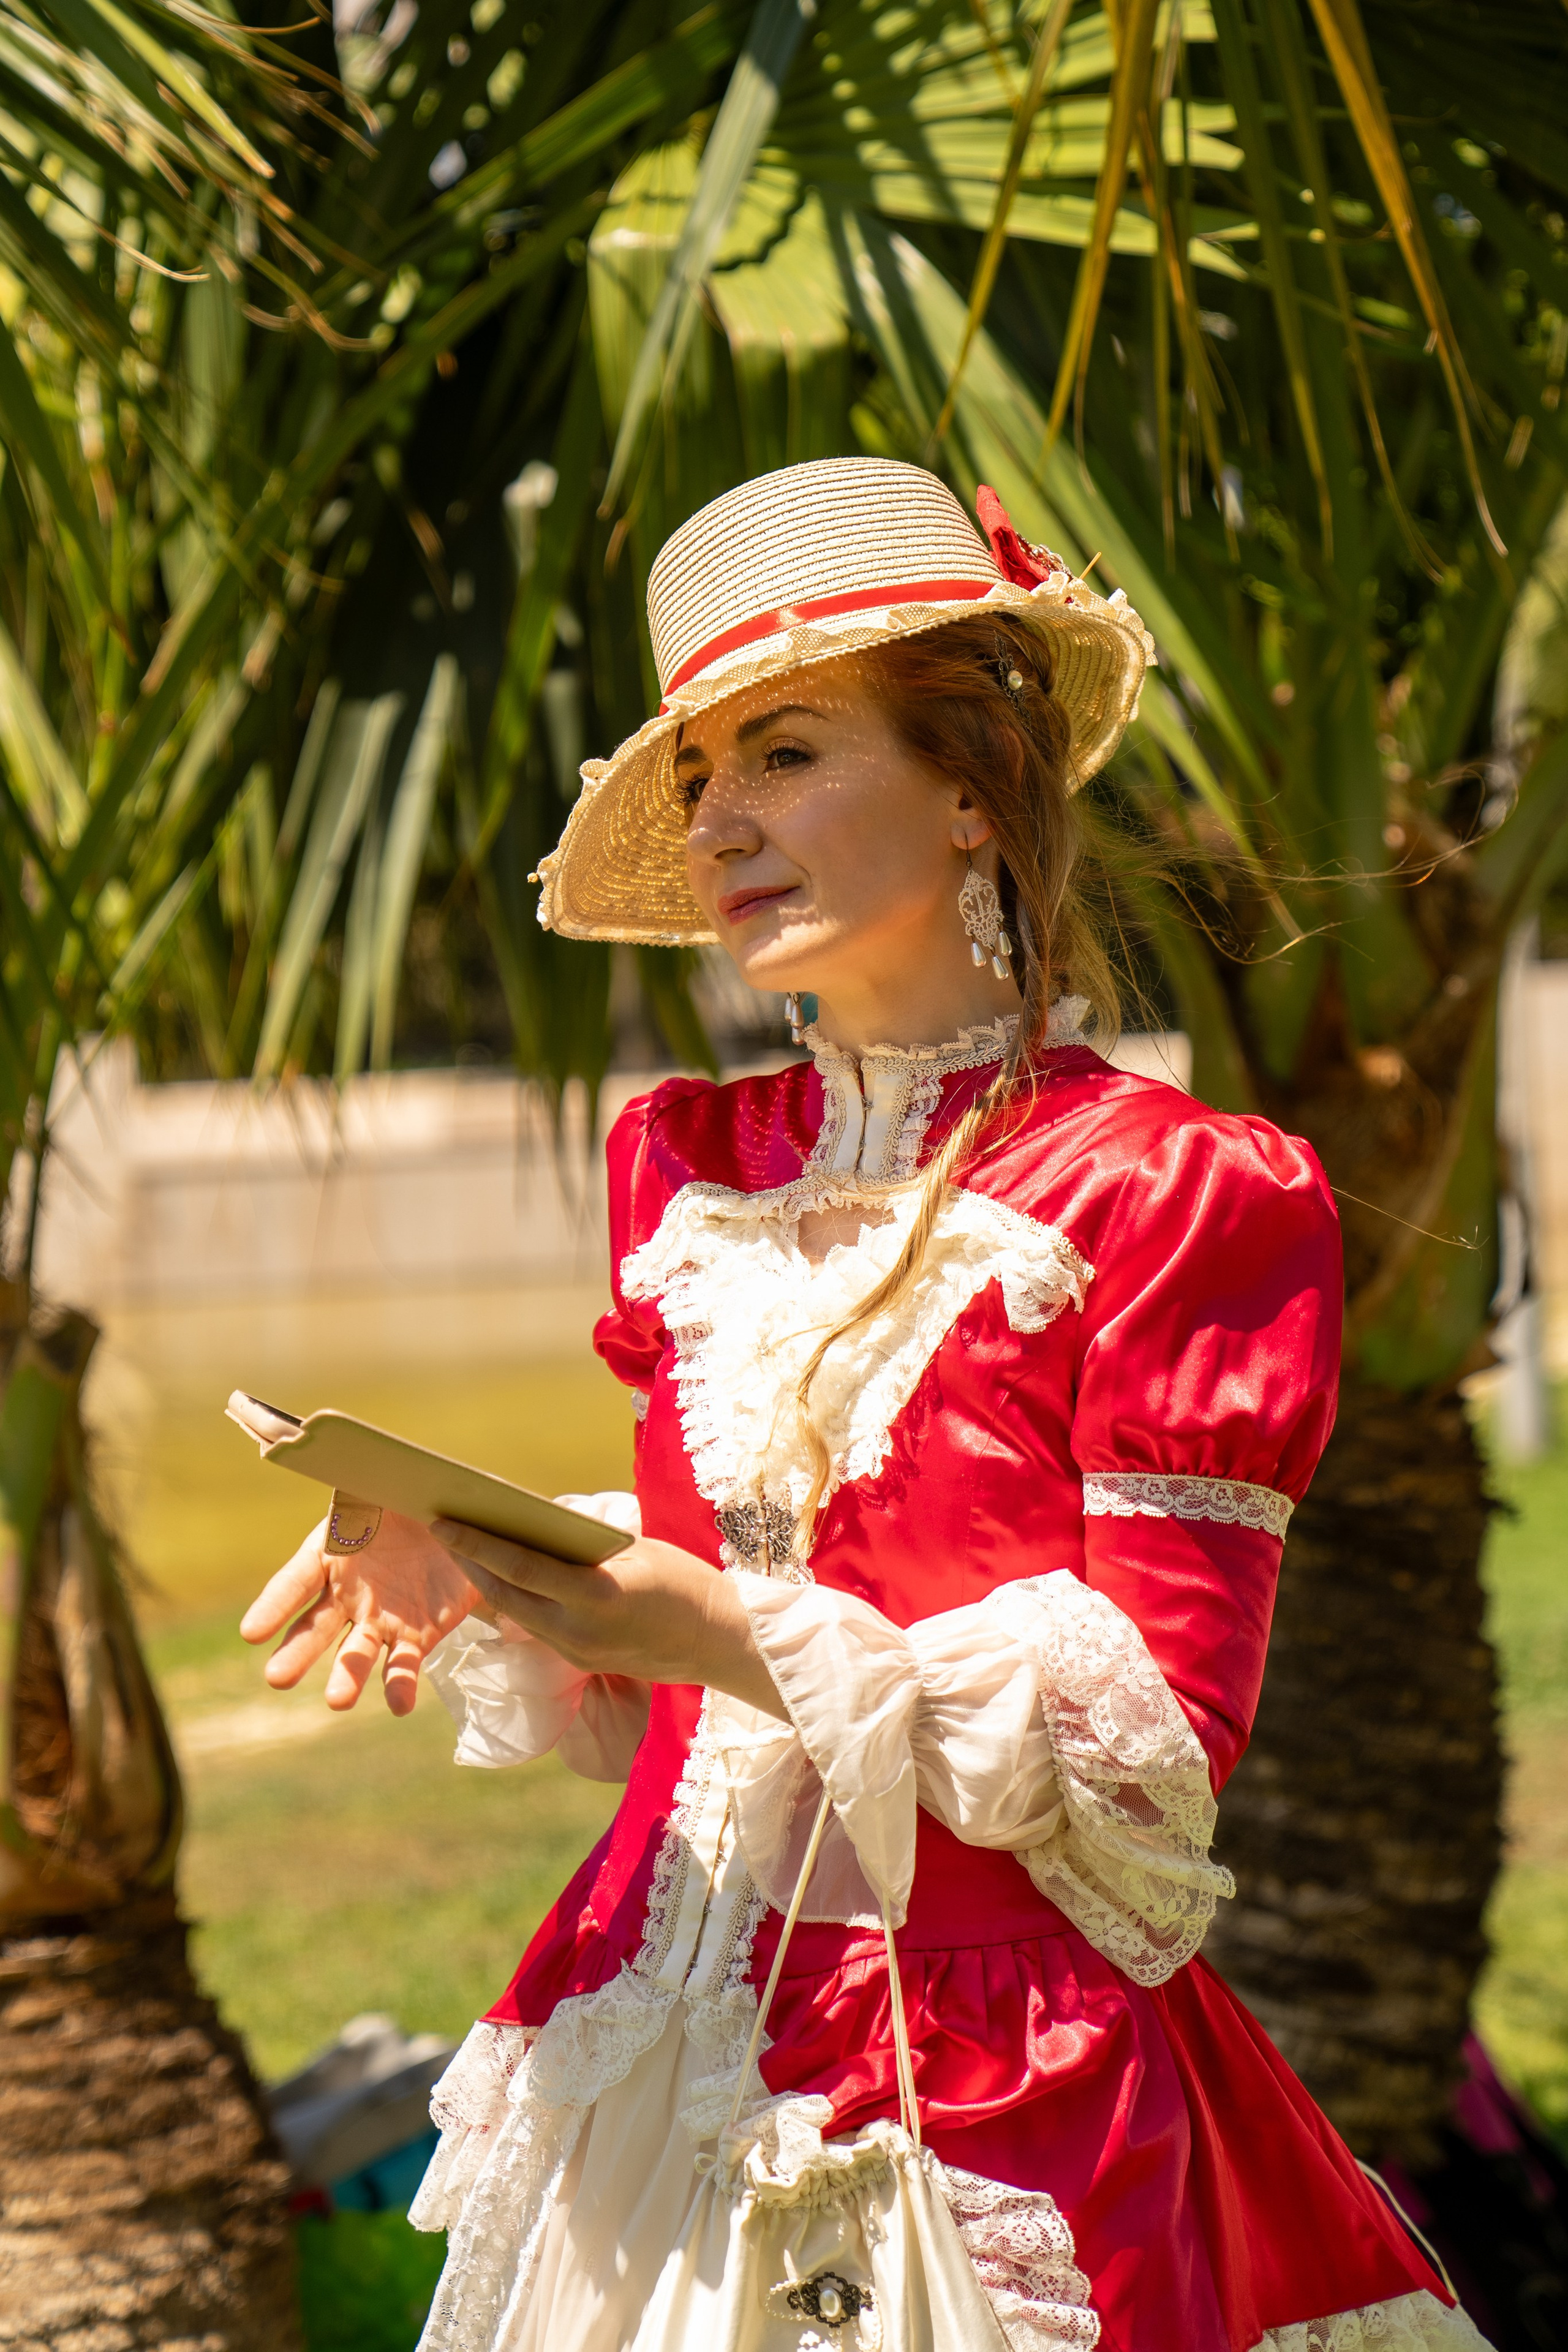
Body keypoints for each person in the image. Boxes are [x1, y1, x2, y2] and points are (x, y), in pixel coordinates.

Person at [243, 458, 1489, 2352]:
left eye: (788, 753)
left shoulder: (1170, 1189)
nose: (724, 821)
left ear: (977, 783)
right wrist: (484, 1542)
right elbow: (754, 1531)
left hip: (985, 2085)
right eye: (696, 780)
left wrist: (724, 1631)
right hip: (646, 2014)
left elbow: (1156, 1743)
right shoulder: (684, 1163)